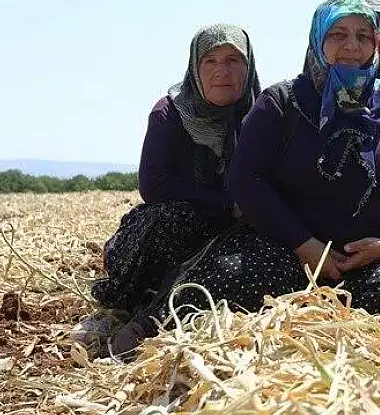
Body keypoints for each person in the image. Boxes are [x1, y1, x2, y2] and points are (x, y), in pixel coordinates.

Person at [106, 0, 380, 357]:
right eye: (338, 34)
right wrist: (305, 244)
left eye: (363, 36)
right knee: (236, 277)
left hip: (370, 260)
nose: (351, 46)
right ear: (317, 40)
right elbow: (247, 178)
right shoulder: (282, 102)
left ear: (375, 44)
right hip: (284, 250)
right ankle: (151, 326)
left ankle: (328, 349)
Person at [76, 24, 260, 348]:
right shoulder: (171, 112)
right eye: (210, 61)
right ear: (194, 67)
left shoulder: (262, 115)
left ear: (249, 67)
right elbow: (154, 184)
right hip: (177, 226)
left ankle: (180, 311)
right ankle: (133, 307)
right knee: (174, 222)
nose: (222, 72)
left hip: (237, 226)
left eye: (233, 60)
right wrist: (224, 205)